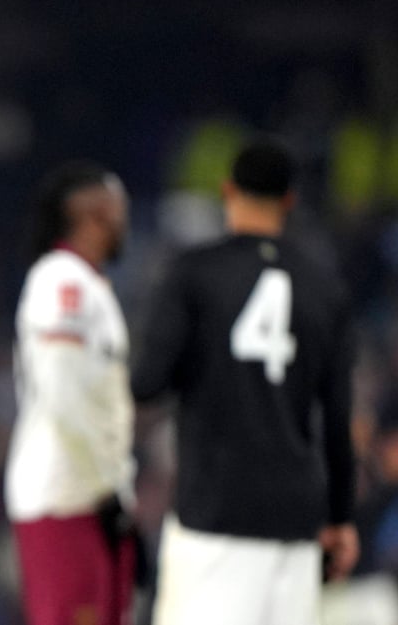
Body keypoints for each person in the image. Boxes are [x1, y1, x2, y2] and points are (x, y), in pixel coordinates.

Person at [131, 139, 360, 625]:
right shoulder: (326, 289)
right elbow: (337, 420)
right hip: (297, 521)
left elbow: (147, 382)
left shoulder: (193, 273)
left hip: (215, 514)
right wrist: (340, 519)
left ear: (227, 190)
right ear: (290, 200)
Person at [4, 161, 137, 625]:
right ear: (93, 211)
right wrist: (107, 486)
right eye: (119, 208)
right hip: (67, 493)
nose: (126, 221)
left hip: (89, 492)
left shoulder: (86, 283)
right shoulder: (64, 282)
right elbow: (64, 389)